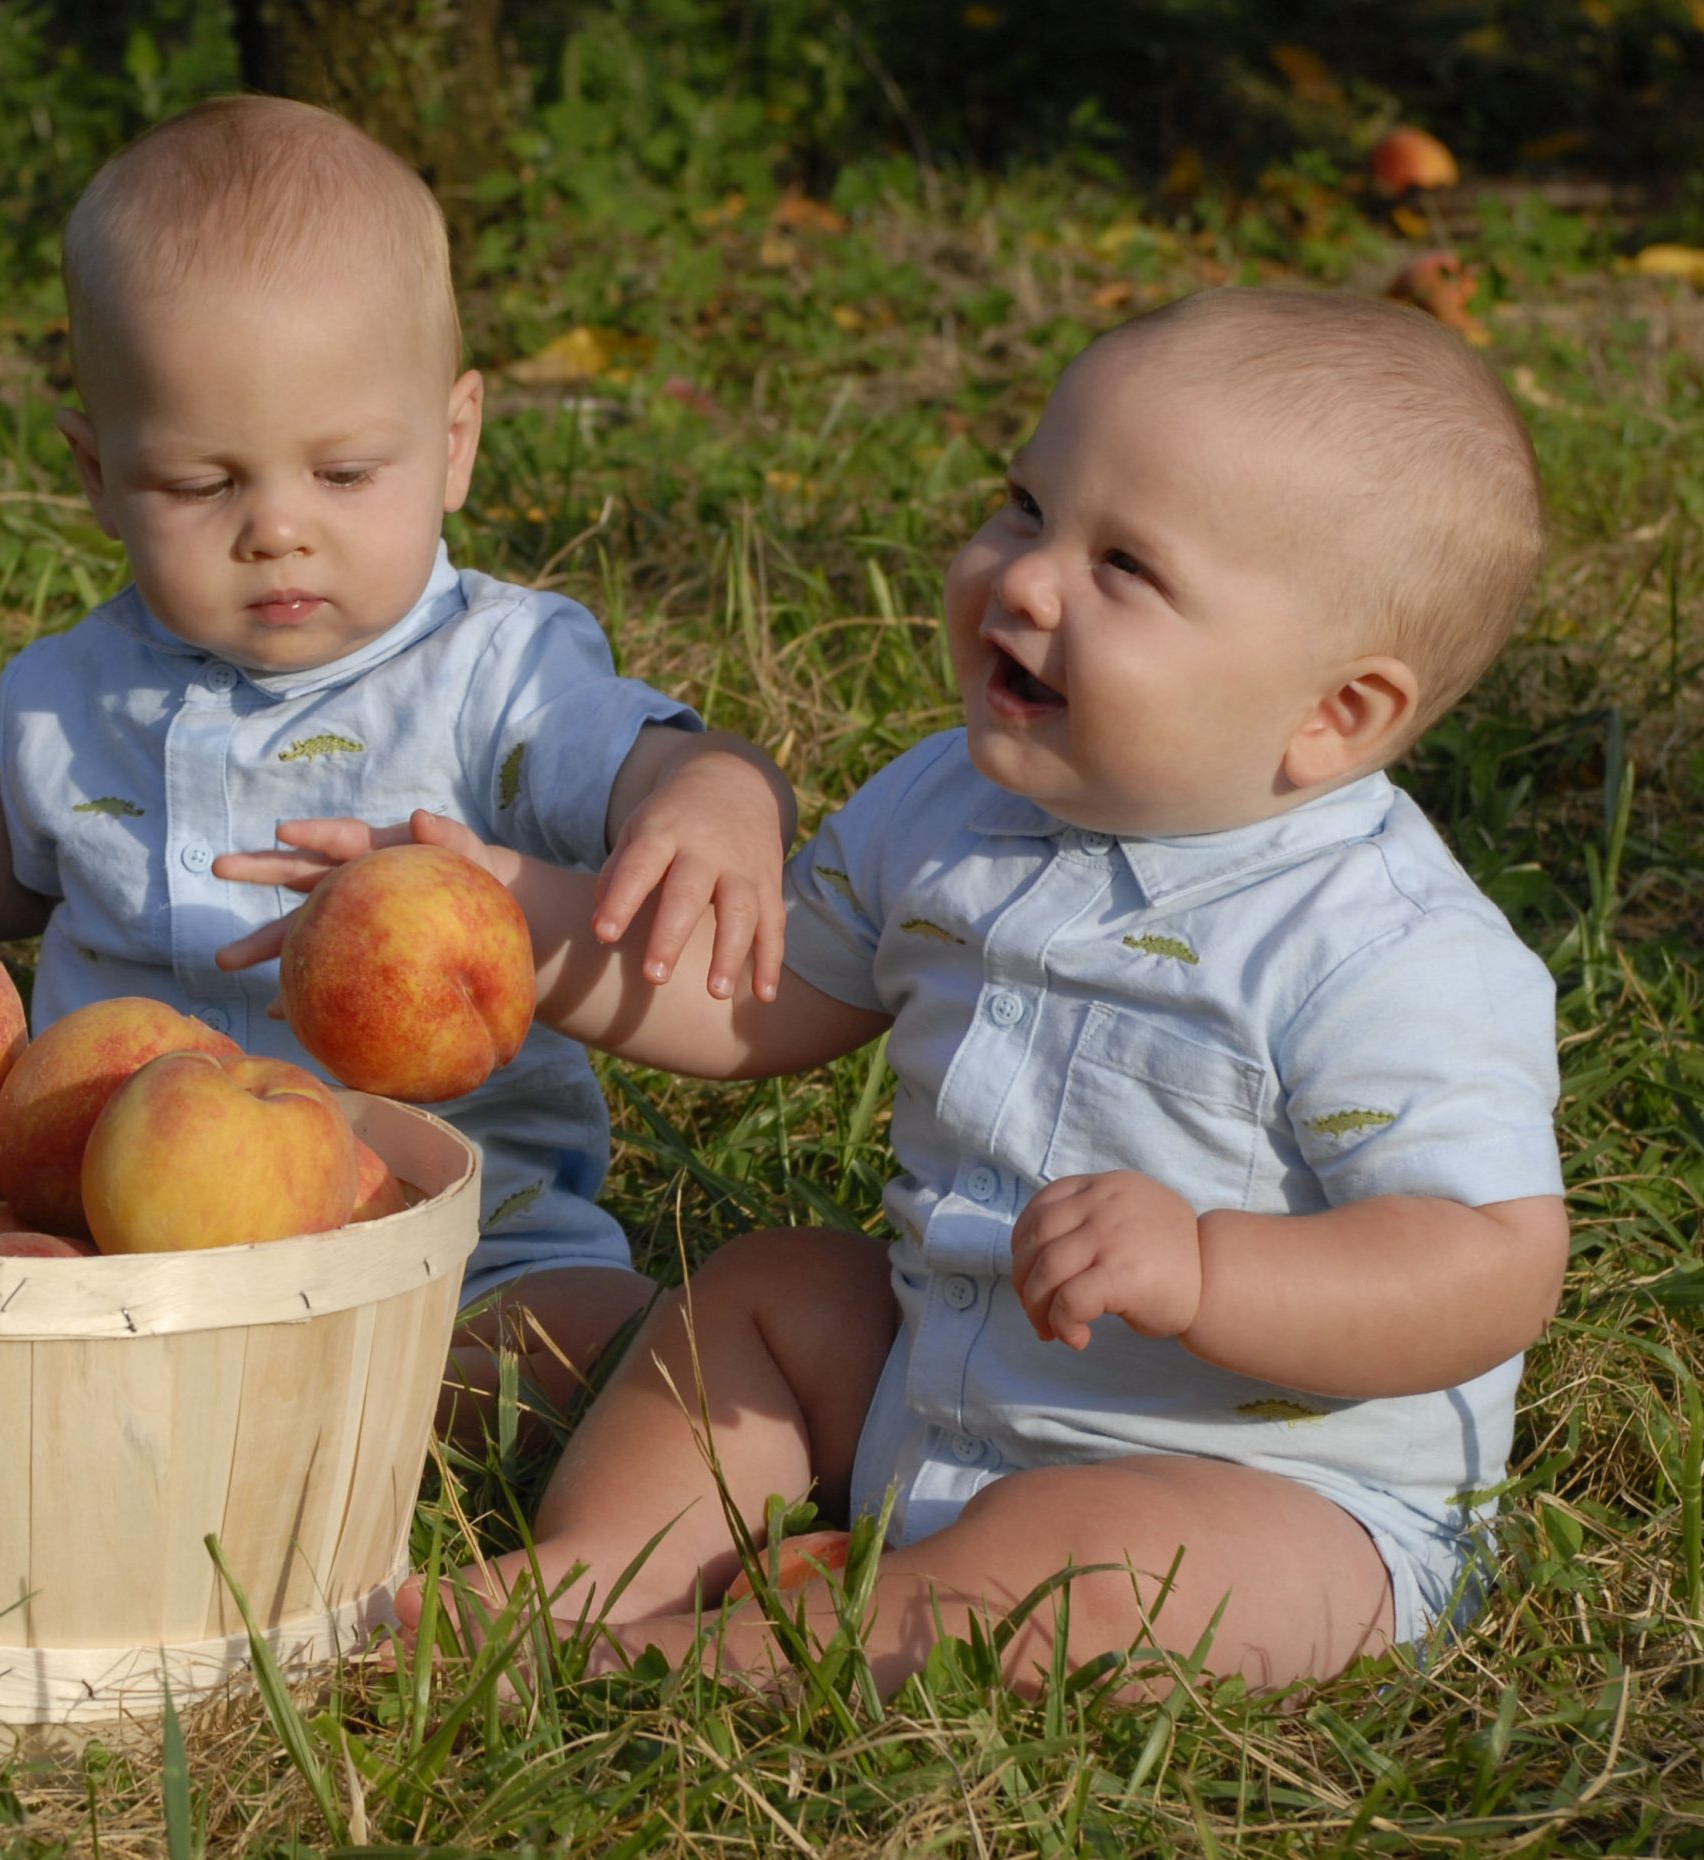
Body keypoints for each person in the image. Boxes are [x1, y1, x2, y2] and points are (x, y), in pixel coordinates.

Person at [218, 286, 1570, 1695]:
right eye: (1025, 506)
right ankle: (598, 1571)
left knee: (1081, 1559)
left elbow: (1490, 1261)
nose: (1027, 580)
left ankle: (710, 1660)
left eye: (1127, 569)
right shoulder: (947, 805)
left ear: (1333, 715)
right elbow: (753, 999)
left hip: (1260, 1488)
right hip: (939, 1380)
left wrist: (1213, 1269)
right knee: (772, 1293)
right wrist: (507, 916)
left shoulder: (1380, 948)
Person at [0, 96, 796, 1422]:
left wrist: (714, 797)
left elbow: (639, 757)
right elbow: (27, 840)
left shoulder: (496, 675)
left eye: (344, 475)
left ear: (454, 444)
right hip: (108, 1214)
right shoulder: (74, 692)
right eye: (199, 486)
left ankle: (482, 1391)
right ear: (97, 477)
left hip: (439, 1232)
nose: (277, 530)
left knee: (569, 1342)